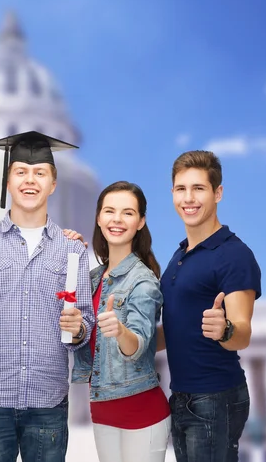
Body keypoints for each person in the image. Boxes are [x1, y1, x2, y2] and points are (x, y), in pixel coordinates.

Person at [0, 131, 95, 462]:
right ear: (8, 180)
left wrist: (79, 327)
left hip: (49, 401)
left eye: (40, 172)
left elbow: (83, 322)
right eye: (21, 172)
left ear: (53, 183)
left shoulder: (72, 249)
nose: (30, 180)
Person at [159, 150, 261, 462]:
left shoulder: (234, 255)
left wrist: (225, 328)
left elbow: (242, 333)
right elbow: (179, 329)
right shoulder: (179, 254)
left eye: (198, 188)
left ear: (217, 193)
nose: (188, 199)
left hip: (215, 398)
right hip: (182, 396)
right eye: (181, 189)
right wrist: (129, 340)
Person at [72, 181, 170, 462]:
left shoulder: (143, 280)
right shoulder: (91, 279)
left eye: (128, 213)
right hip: (102, 409)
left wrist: (120, 330)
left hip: (141, 410)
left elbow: (138, 344)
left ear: (140, 222)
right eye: (109, 211)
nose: (117, 219)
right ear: (99, 218)